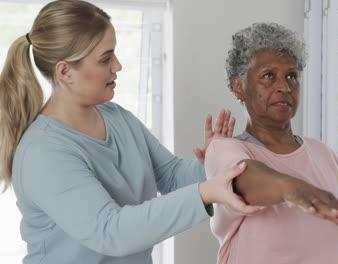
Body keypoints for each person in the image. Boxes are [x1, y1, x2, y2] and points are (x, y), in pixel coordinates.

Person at [0, 1, 262, 263]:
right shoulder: (43, 152)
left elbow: (171, 175)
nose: (117, 66)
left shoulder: (117, 117)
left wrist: (214, 163)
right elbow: (110, 232)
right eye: (105, 59)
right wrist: (206, 191)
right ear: (65, 71)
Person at [205, 22, 338, 264]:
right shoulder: (225, 150)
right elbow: (246, 180)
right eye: (268, 76)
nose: (284, 87)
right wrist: (294, 189)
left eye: (292, 76)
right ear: (239, 87)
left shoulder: (324, 154)